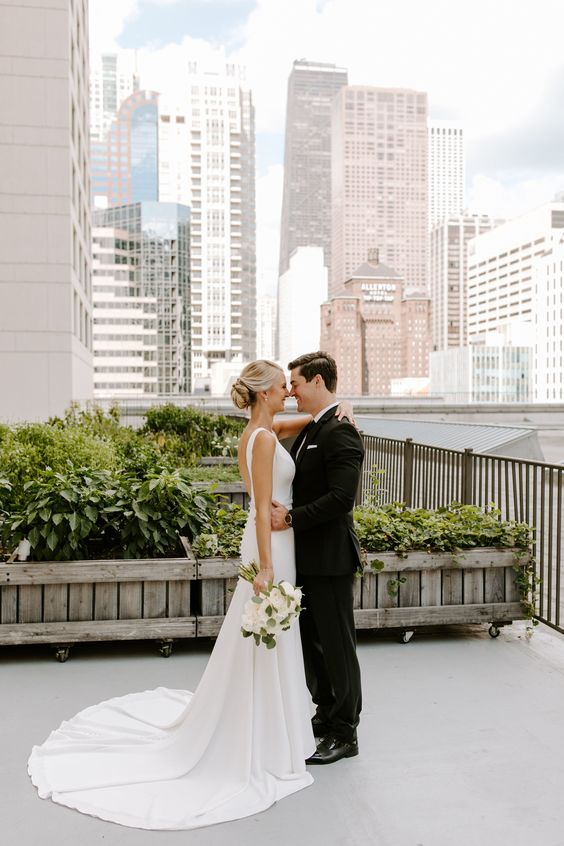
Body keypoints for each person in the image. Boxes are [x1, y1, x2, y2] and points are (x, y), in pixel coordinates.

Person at [27, 360, 350, 830]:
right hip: (271, 547)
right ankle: (262, 735)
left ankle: (274, 727)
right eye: (283, 387)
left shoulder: (264, 429)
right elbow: (261, 511)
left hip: (278, 544)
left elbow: (300, 421)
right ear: (263, 394)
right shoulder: (262, 440)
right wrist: (266, 568)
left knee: (269, 639)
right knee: (266, 636)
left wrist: (340, 411)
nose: (289, 394)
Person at [271, 351, 364, 765]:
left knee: (337, 647)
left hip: (330, 559)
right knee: (314, 645)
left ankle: (345, 732)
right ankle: (325, 716)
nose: (291, 391)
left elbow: (342, 499)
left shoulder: (340, 432)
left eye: (295, 382)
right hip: (307, 559)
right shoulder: (316, 426)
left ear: (317, 383)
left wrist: (291, 518)